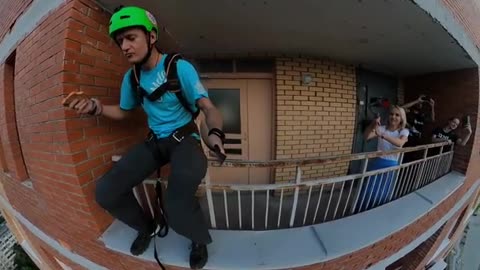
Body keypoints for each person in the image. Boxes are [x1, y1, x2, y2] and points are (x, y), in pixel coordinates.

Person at [63, 6, 224, 269]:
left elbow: (209, 108)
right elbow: (125, 113)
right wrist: (96, 107)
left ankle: (199, 240)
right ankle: (147, 227)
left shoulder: (178, 67)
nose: (124, 46)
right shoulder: (132, 78)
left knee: (177, 205)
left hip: (186, 139)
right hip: (155, 142)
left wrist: (215, 134)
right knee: (106, 192)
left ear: (151, 37)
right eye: (119, 41)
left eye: (130, 37)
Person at [356, 105, 409, 212]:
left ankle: (377, 211)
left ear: (402, 118)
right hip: (377, 163)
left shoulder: (403, 131)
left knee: (382, 190)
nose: (393, 117)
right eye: (391, 114)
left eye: (397, 115)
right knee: (368, 189)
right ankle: (361, 210)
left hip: (390, 165)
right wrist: (373, 124)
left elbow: (399, 143)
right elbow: (366, 137)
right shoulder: (381, 128)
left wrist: (382, 135)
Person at [401, 95, 435, 162]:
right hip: (406, 139)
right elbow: (401, 109)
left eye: (422, 102)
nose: (420, 103)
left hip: (417, 141)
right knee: (403, 158)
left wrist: (432, 106)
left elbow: (432, 120)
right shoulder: (410, 111)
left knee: (412, 160)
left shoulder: (423, 114)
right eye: (420, 101)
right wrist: (417, 100)